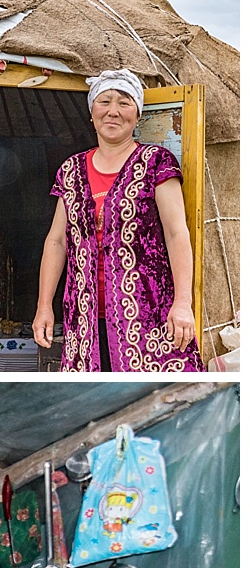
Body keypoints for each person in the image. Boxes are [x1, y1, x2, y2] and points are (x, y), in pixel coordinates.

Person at [32, 69, 204, 372]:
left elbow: (177, 234)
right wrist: (44, 306)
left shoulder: (156, 163)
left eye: (124, 103)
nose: (113, 111)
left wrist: (182, 303)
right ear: (91, 113)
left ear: (137, 115)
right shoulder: (71, 170)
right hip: (84, 314)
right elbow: (57, 241)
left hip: (148, 311)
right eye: (105, 102)